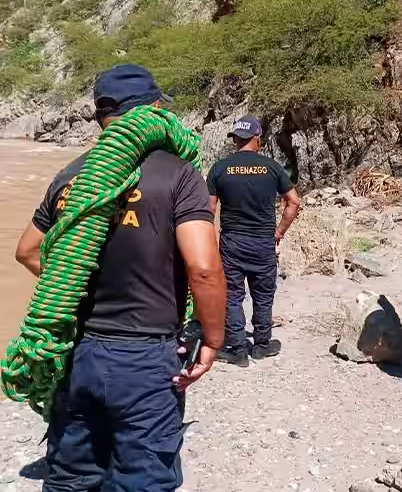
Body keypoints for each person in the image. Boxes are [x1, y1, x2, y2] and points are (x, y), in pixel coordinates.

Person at [12, 65, 224, 491]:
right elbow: (203, 268)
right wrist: (214, 339)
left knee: (72, 475)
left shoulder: (71, 177)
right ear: (156, 107)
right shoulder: (178, 174)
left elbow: (27, 251)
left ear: (99, 117)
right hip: (145, 357)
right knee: (142, 477)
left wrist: (72, 284)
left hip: (79, 354)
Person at [206, 115, 301, 367]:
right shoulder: (271, 168)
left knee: (232, 296)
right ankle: (261, 345)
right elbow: (294, 202)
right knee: (263, 294)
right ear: (258, 138)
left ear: (237, 139)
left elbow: (208, 211)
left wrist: (210, 243)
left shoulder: (220, 168)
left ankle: (237, 350)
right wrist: (279, 231)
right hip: (262, 242)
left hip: (232, 242)